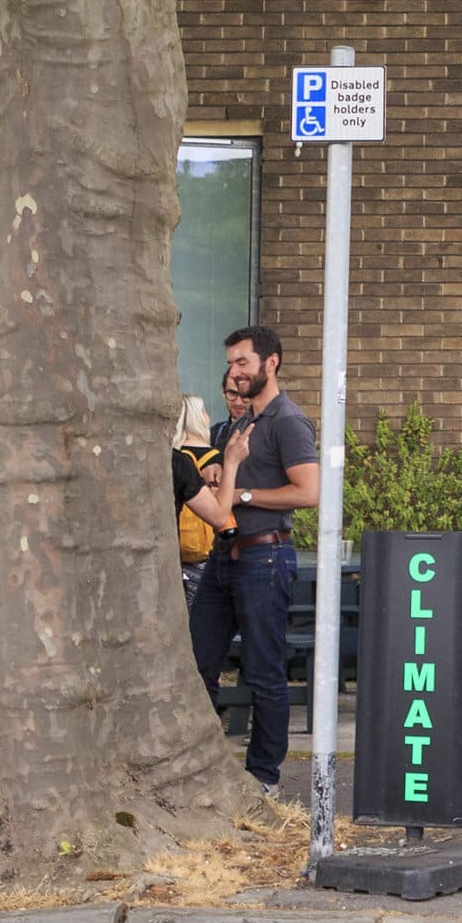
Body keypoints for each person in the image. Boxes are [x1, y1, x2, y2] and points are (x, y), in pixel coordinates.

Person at [192, 324, 317, 796]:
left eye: (242, 362)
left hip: (265, 557)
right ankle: (204, 767)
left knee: (264, 670)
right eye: (230, 364)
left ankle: (263, 778)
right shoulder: (240, 424)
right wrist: (222, 472)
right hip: (222, 558)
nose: (234, 372)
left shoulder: (288, 421)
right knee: (197, 663)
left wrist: (239, 491)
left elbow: (309, 493)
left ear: (271, 363)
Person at [171, 395, 233, 594]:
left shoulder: (170, 456)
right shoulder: (213, 458)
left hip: (175, 552)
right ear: (196, 417)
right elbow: (219, 516)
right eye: (204, 411)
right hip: (202, 552)